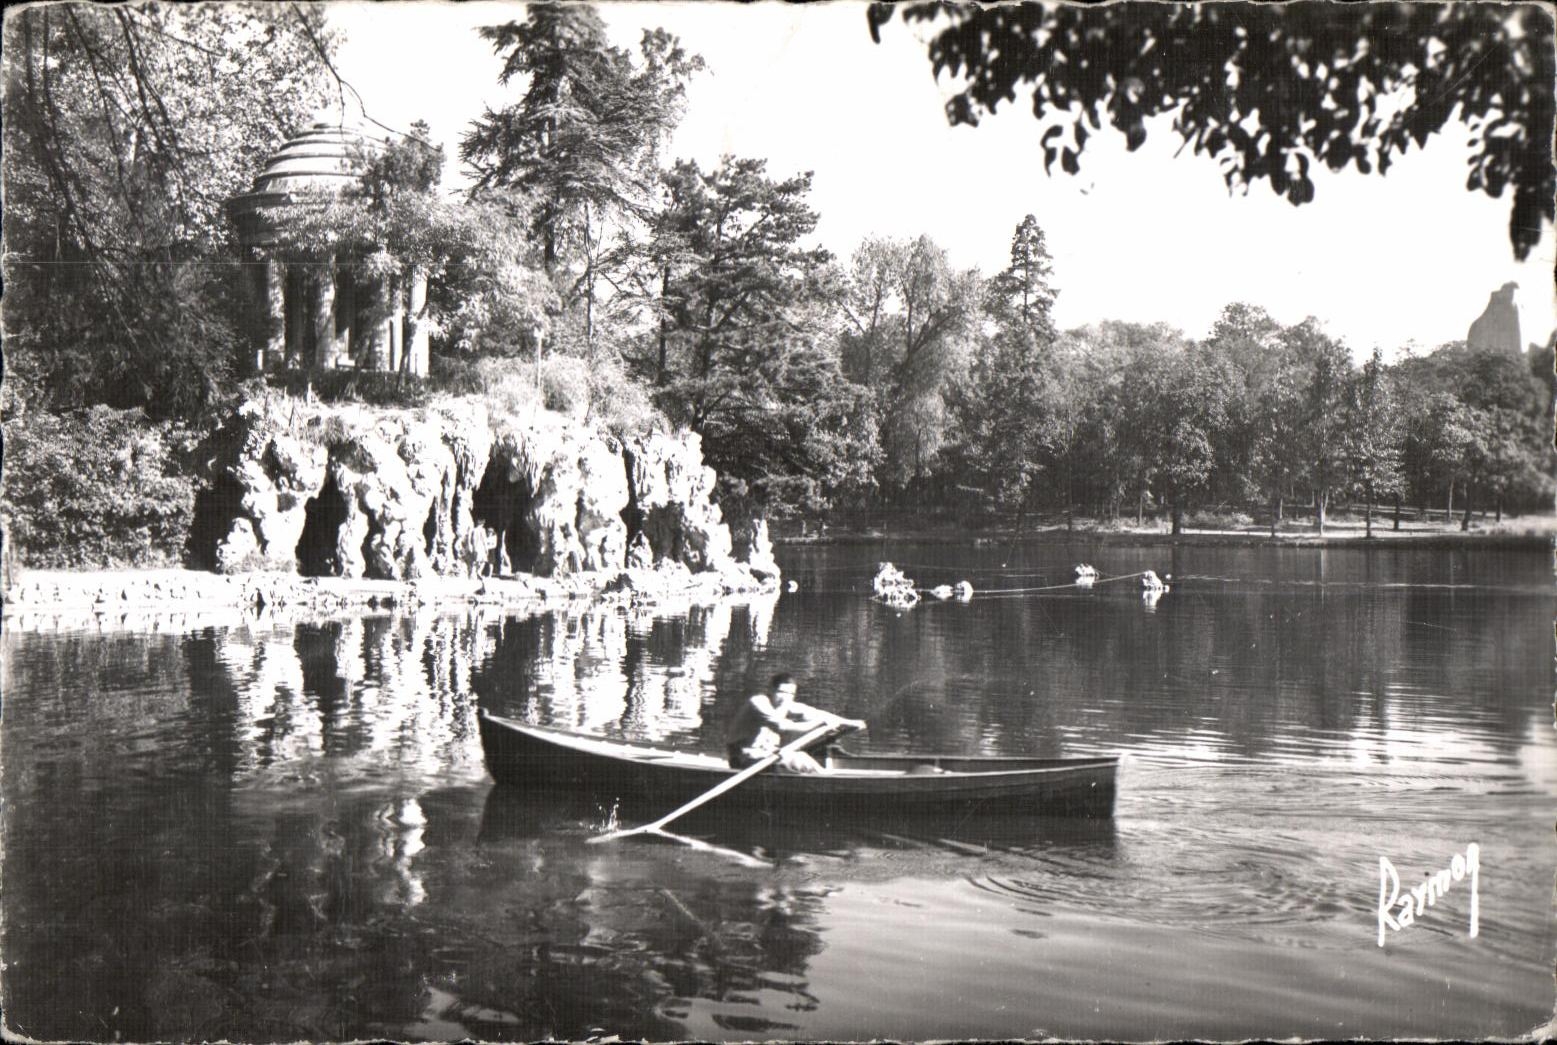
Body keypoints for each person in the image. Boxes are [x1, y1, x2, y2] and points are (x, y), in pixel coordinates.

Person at [724, 673, 865, 773]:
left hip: (765, 755)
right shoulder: (759, 702)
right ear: (770, 690)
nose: (786, 698)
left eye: (790, 694)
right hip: (742, 759)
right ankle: (828, 780)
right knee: (799, 757)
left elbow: (818, 714)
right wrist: (817, 724)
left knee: (814, 752)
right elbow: (781, 726)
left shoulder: (786, 704)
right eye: (781, 692)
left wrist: (850, 722)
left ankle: (823, 777)